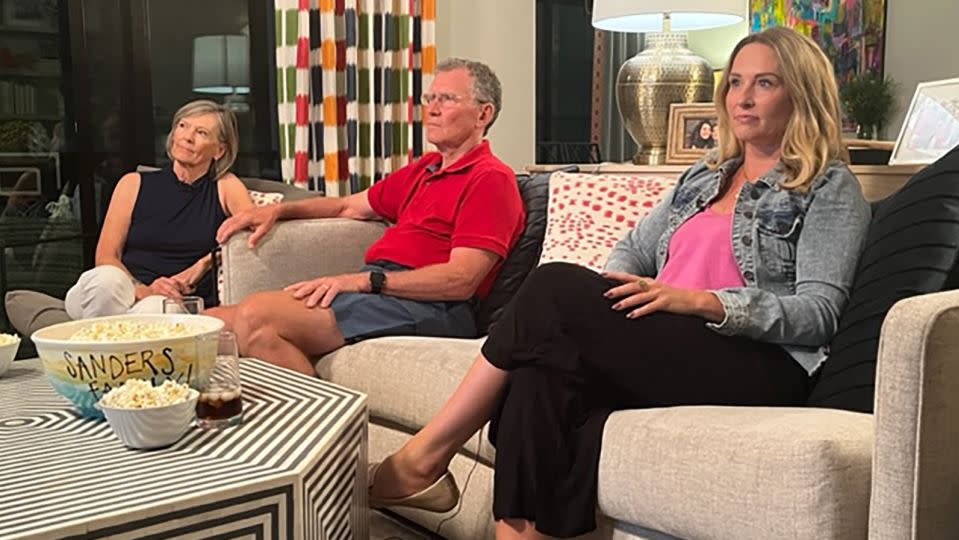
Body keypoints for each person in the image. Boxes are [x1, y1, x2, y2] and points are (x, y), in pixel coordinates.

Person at [369, 26, 871, 539]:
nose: (742, 97)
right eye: (735, 82)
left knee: (553, 286)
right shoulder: (706, 173)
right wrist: (618, 296)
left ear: (801, 92)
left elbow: (819, 311)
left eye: (764, 83)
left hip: (754, 356)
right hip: (666, 337)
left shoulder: (828, 186)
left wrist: (701, 302)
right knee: (536, 377)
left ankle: (426, 455)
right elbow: (633, 248)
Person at [210, 58, 525, 376]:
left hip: (433, 306)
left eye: (448, 99)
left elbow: (461, 280)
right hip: (384, 292)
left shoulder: (490, 179)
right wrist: (279, 210)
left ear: (483, 114)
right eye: (430, 98)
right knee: (206, 324)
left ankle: (329, 424)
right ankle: (316, 421)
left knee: (255, 314)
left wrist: (367, 281)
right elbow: (346, 206)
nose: (432, 108)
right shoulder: (424, 168)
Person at [64, 100, 253, 319]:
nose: (187, 137)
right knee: (105, 282)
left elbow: (251, 234)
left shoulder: (225, 186)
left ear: (220, 150)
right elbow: (106, 255)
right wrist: (141, 289)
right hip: (120, 288)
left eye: (201, 132)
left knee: (161, 310)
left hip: (168, 298)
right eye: (183, 126)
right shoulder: (132, 183)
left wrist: (204, 263)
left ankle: (100, 345)